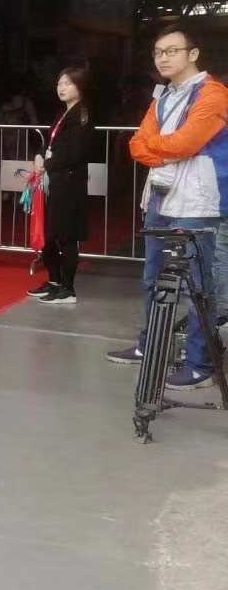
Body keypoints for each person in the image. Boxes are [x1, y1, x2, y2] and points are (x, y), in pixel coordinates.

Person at [107, 26, 228, 388]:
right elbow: (136, 144)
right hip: (161, 193)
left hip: (197, 199)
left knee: (197, 283)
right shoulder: (162, 96)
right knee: (153, 277)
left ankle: (200, 363)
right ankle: (151, 346)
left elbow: (186, 143)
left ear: (193, 54)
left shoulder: (214, 94)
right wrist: (164, 148)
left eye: (172, 50)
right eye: (158, 52)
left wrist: (157, 147)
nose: (163, 58)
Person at [29, 64, 96, 306]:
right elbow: (49, 142)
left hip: (69, 184)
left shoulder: (83, 115)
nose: (62, 88)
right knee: (49, 234)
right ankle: (55, 280)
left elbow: (75, 153)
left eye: (68, 83)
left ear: (80, 86)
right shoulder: (62, 113)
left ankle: (68, 288)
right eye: (59, 83)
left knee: (66, 236)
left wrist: (47, 163)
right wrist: (39, 156)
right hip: (54, 181)